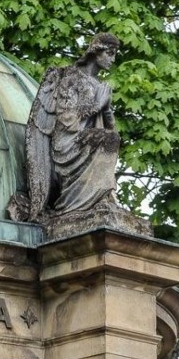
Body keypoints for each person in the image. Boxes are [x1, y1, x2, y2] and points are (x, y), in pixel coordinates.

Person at [16, 32, 122, 223]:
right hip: (68, 143)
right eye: (110, 53)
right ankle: (73, 205)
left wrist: (105, 108)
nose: (112, 59)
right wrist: (97, 105)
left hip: (89, 139)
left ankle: (99, 197)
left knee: (110, 138)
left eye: (114, 54)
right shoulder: (71, 78)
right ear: (96, 52)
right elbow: (67, 118)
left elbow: (110, 126)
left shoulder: (99, 84)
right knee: (105, 139)